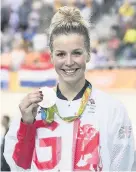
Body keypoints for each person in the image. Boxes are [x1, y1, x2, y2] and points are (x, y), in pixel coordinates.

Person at [4, 6, 135, 171]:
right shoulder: (33, 109)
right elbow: (18, 166)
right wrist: (26, 125)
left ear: (88, 54)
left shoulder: (112, 110)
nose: (68, 62)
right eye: (60, 54)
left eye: (76, 53)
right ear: (51, 57)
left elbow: (125, 166)